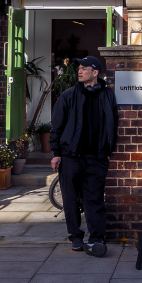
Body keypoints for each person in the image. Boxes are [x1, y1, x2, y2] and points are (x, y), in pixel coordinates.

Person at [49, 55, 118, 256]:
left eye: (84, 68)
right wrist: (56, 154)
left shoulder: (107, 95)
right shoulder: (68, 96)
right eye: (79, 68)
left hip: (97, 157)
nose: (79, 71)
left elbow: (113, 124)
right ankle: (76, 237)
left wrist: (108, 149)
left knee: (94, 199)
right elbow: (57, 126)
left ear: (95, 72)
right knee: (70, 199)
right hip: (71, 156)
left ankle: (96, 238)